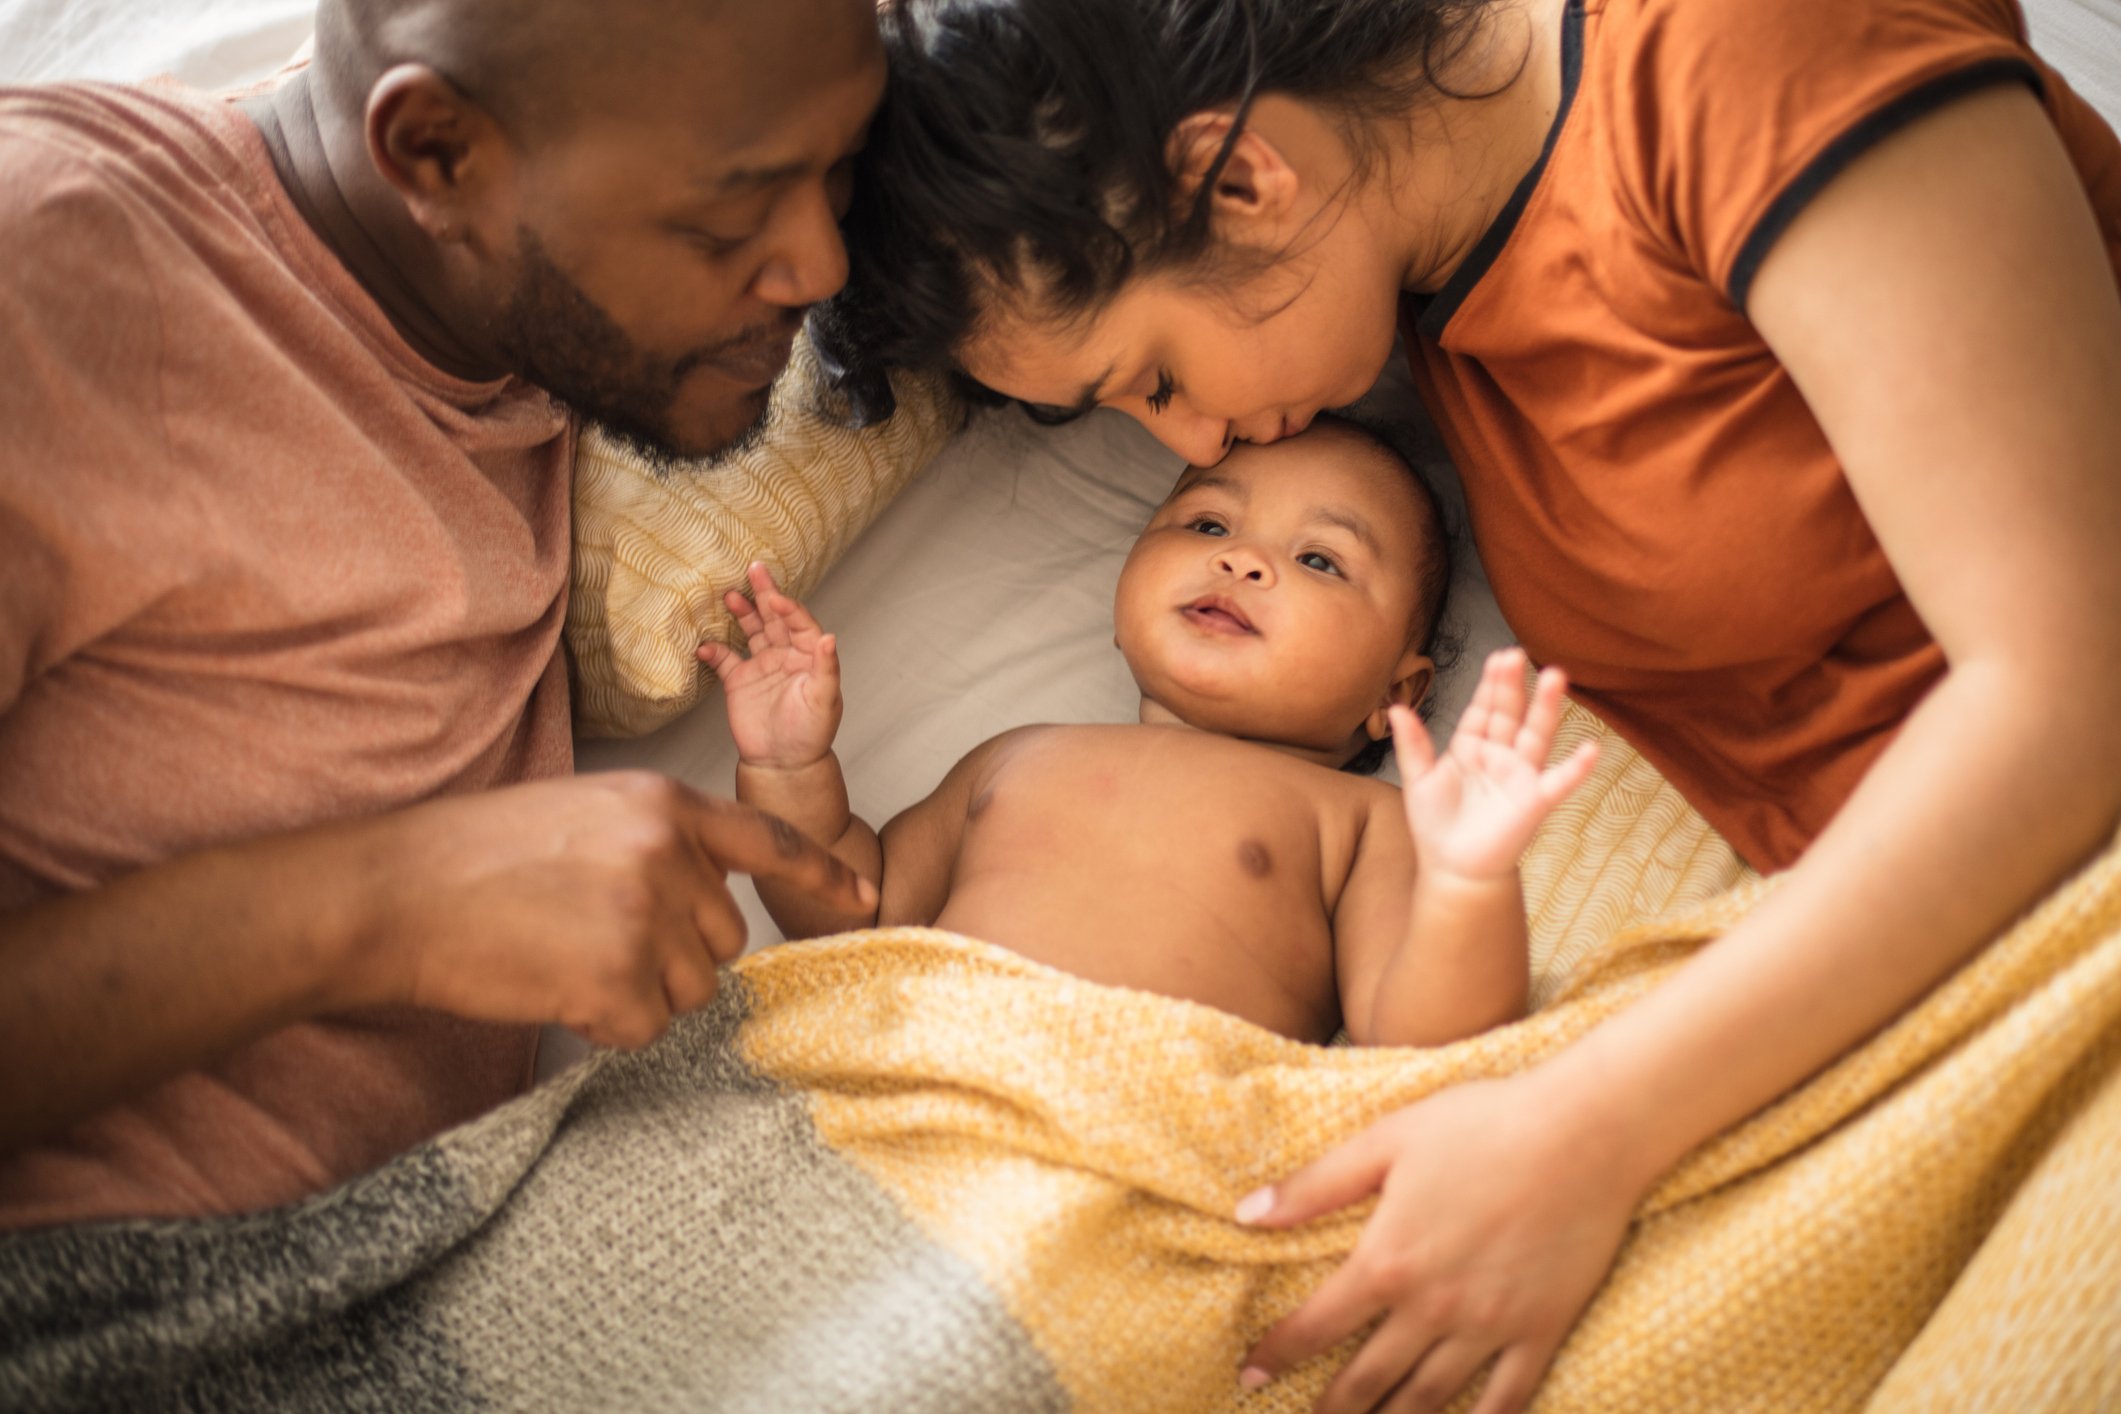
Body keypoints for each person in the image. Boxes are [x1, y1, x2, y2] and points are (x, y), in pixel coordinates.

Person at [811, 0, 2121, 1408]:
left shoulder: (1746, 52)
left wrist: (1583, 1129)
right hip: (1903, 953)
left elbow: (2068, 692)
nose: (1184, 444)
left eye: (1156, 377)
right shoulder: (1423, 282)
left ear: (1244, 177)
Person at [0, 0, 884, 1230]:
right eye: (727, 219)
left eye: (837, 170)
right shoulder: (50, 266)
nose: (820, 267)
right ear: (432, 153)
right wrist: (393, 906)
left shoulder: (513, 288)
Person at [705, 419, 1597, 1045]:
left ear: (1395, 693)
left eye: (1318, 559)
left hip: (1125, 1129)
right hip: (905, 1066)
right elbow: (857, 913)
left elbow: (1415, 1039)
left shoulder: (1361, 820)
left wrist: (1468, 883)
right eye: (1207, 522)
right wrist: (789, 767)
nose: (1240, 559)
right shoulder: (1018, 755)